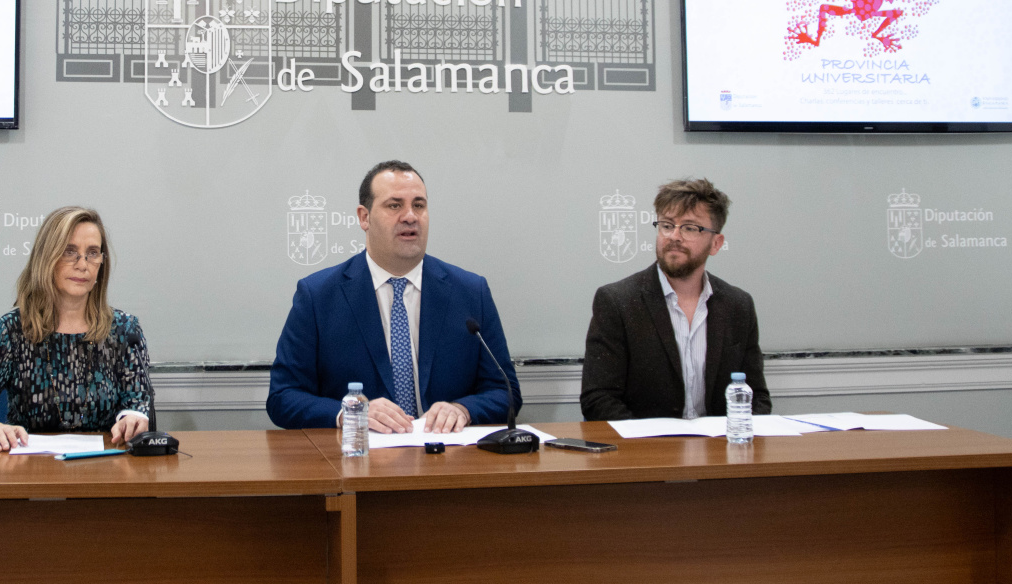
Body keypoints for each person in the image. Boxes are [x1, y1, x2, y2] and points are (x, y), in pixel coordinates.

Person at [268, 160, 520, 432]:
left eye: (419, 205)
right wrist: (349, 412)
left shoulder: (471, 291)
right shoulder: (318, 295)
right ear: (364, 217)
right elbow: (283, 397)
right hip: (358, 459)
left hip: (446, 458)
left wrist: (463, 409)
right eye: (394, 205)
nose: (410, 216)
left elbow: (505, 392)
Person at [581, 178, 771, 421]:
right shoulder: (617, 301)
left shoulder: (738, 305)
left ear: (716, 243)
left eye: (690, 228)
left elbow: (756, 398)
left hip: (720, 450)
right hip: (649, 453)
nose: (674, 236)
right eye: (667, 225)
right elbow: (598, 399)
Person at [0, 207, 153, 451]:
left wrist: (132, 419)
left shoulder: (125, 329)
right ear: (47, 258)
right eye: (70, 252)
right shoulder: (10, 330)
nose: (82, 264)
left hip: (105, 471)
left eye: (93, 253)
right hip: (28, 474)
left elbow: (138, 402)